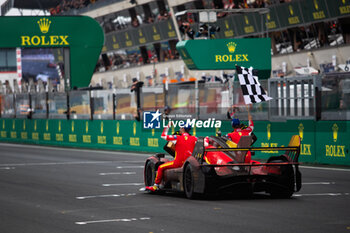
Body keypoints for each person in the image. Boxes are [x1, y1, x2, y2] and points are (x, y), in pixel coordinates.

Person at [146, 122, 197, 191]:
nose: (179, 129)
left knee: (160, 167)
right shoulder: (194, 138)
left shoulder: (177, 137)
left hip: (178, 163)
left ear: (183, 129)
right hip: (189, 164)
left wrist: (167, 126)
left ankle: (156, 186)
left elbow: (163, 136)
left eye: (180, 128)